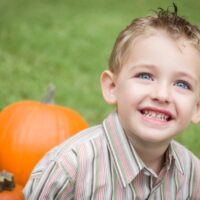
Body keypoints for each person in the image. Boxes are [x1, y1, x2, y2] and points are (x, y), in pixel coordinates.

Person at [23, 4, 200, 199]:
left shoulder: (192, 175)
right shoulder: (69, 170)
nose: (162, 94)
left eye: (182, 84)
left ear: (197, 108)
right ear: (112, 87)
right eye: (146, 76)